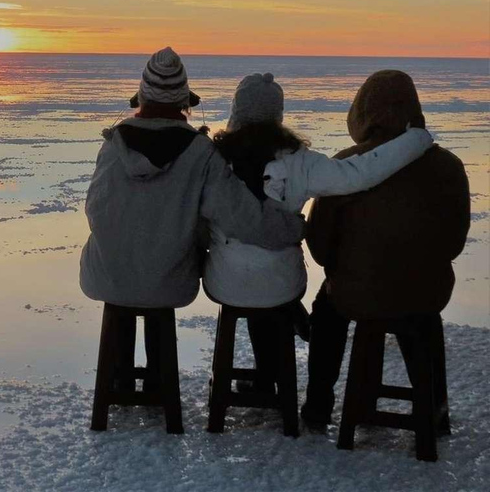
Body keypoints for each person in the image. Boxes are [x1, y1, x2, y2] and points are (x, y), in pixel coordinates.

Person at [202, 72, 434, 392]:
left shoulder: (212, 160)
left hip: (225, 282)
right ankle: (273, 367)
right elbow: (359, 173)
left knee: (247, 271)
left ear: (236, 111)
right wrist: (416, 139)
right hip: (283, 282)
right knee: (270, 281)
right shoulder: (301, 162)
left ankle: (263, 378)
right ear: (277, 116)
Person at [301, 70, 471, 426]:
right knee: (419, 315)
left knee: (327, 308)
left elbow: (319, 245)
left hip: (358, 293)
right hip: (426, 292)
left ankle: (318, 407)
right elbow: (454, 241)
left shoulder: (348, 164)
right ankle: (434, 410)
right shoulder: (449, 167)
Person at [79, 48, 304, 310]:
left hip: (102, 279)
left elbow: (95, 209)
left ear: (140, 99)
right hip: (170, 285)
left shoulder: (113, 145)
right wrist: (294, 229)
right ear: (185, 103)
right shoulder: (199, 151)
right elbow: (240, 216)